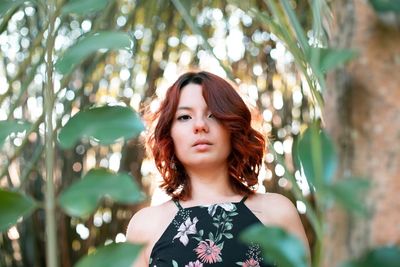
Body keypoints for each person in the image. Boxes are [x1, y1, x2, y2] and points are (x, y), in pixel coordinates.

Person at [126, 71, 309, 267]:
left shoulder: (277, 212)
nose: (200, 125)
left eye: (213, 114)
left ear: (233, 126)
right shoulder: (145, 226)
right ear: (169, 133)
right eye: (185, 117)